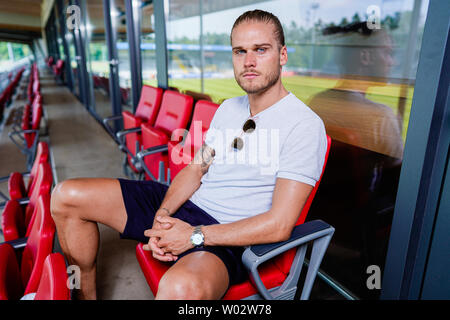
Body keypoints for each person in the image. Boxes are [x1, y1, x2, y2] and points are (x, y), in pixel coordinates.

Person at [50, 9, 327, 300]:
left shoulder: (304, 125)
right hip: (188, 208)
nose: (248, 62)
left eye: (261, 50)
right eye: (239, 51)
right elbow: (196, 169)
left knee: (181, 289)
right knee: (66, 196)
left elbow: (280, 224)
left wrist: (193, 235)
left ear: (282, 55)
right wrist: (162, 215)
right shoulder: (228, 109)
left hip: (227, 235)